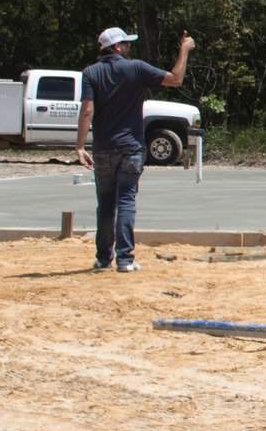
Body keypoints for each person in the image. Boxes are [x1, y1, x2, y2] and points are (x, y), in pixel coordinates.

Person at [75, 26, 193, 273]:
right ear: (118, 47)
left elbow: (87, 110)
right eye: (126, 43)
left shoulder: (90, 73)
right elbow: (176, 79)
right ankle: (125, 260)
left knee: (105, 204)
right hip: (130, 148)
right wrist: (184, 50)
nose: (129, 47)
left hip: (103, 148)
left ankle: (103, 258)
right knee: (126, 200)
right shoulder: (137, 68)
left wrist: (79, 146)